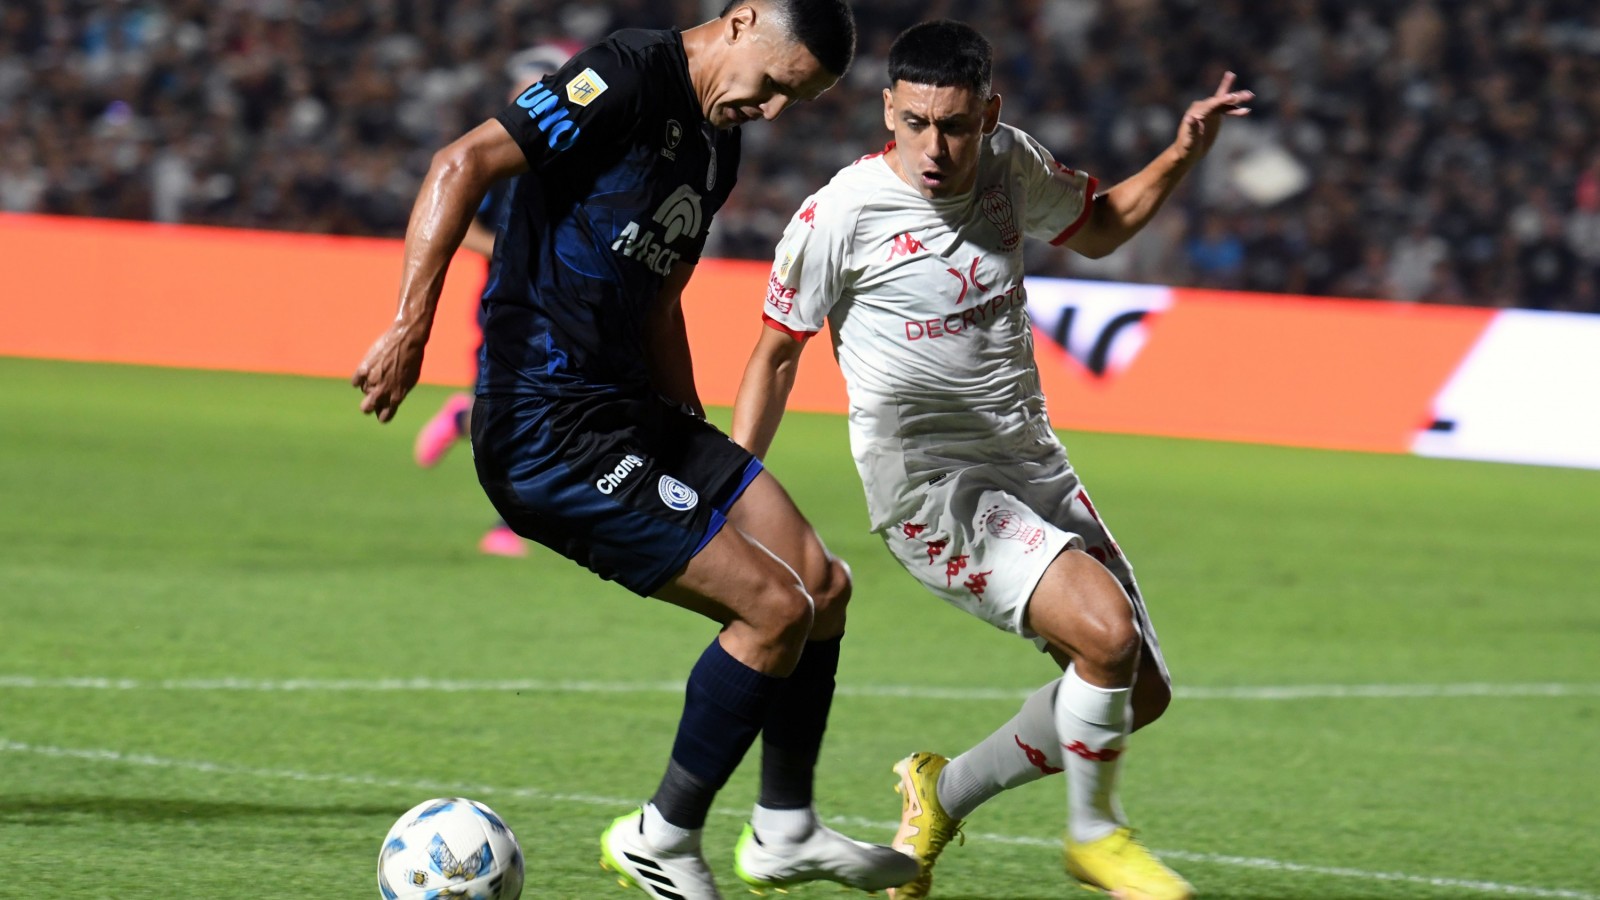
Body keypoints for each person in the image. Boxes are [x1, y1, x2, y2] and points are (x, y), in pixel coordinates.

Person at [352, 3, 920, 898]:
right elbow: (459, 162)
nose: (771, 110)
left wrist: (689, 430)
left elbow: (661, 296)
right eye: (772, 84)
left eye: (794, 102)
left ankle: (783, 829)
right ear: (738, 24)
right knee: (772, 609)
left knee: (823, 586)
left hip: (634, 412)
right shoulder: (624, 74)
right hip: (548, 427)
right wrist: (408, 330)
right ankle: (662, 838)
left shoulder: (714, 144)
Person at [731, 20, 1251, 900]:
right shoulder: (839, 215)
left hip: (1030, 459)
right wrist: (730, 490)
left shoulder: (1011, 163)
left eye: (957, 125)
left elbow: (1100, 228)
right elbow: (775, 353)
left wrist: (1182, 152)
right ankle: (1096, 836)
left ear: (989, 114)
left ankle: (940, 792)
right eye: (916, 123)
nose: (936, 147)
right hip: (932, 486)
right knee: (1107, 635)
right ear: (889, 110)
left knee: (1135, 695)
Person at [411, 43, 575, 558]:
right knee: (514, 408)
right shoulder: (495, 155)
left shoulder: (573, 157)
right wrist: (512, 250)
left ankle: (463, 419)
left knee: (552, 407)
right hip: (506, 300)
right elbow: (460, 225)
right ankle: (506, 525)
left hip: (563, 302)